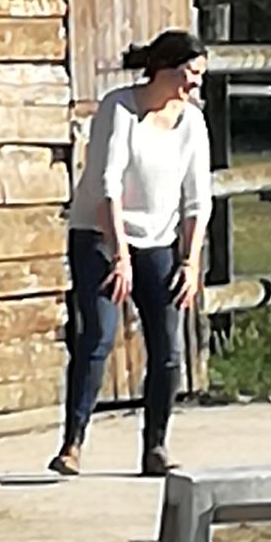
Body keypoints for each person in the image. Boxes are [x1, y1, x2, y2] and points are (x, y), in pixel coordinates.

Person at [51, 27, 212, 478]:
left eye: (200, 75)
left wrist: (190, 259)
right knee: (98, 336)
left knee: (168, 348)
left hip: (158, 241)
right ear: (163, 68)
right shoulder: (119, 107)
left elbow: (198, 199)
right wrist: (119, 255)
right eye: (188, 73)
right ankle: (72, 442)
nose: (193, 84)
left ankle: (156, 445)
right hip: (101, 233)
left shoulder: (193, 123)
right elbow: (107, 184)